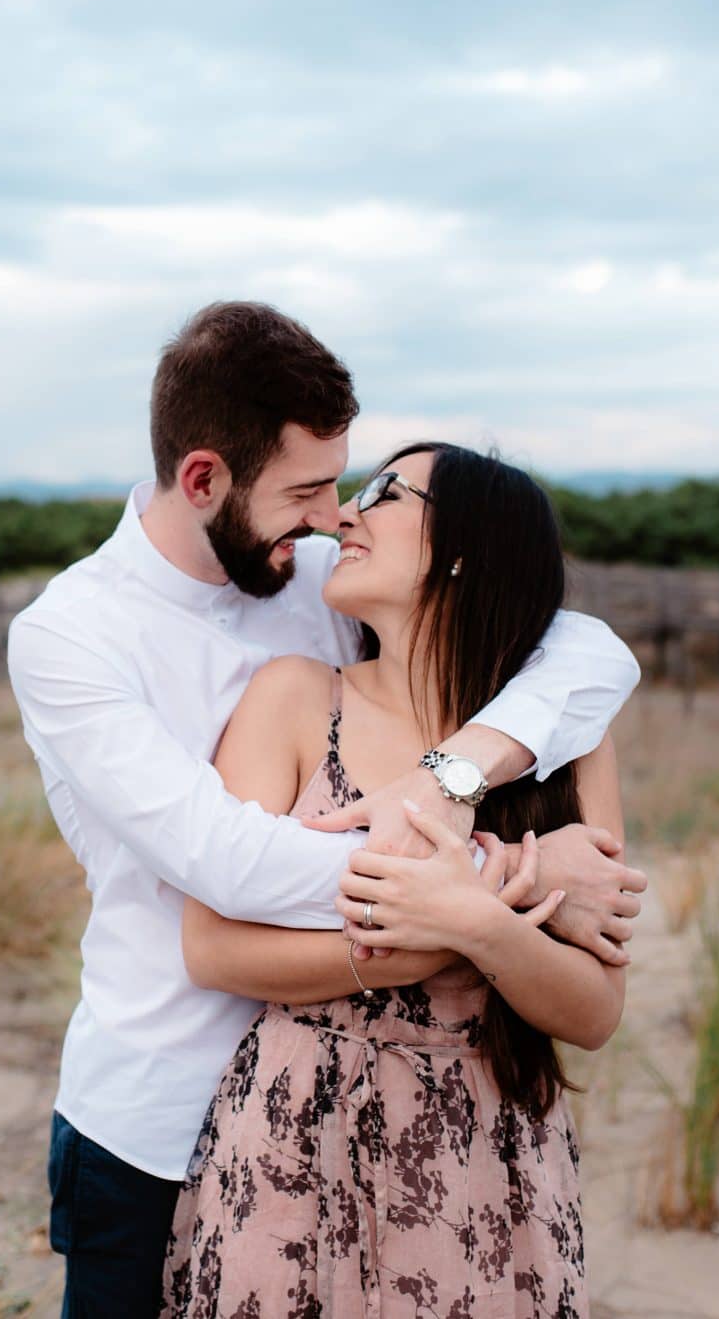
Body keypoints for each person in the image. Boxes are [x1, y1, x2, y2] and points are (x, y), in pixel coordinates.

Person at [6, 302, 645, 1318]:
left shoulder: (310, 576)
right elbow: (230, 863)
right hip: (161, 1110)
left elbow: (584, 648)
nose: (332, 513)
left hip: (435, 1134)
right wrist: (507, 885)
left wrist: (455, 774)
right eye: (307, 489)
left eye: (348, 486)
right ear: (204, 478)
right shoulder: (73, 639)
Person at [166, 443, 623, 1318]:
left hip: (489, 1152)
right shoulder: (298, 697)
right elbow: (212, 947)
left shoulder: (566, 739)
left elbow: (596, 1011)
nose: (344, 513)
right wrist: (446, 929)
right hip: (297, 1129)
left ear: (464, 546)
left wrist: (481, 929)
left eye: (384, 491)